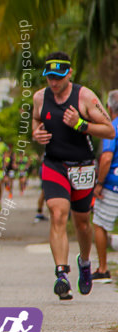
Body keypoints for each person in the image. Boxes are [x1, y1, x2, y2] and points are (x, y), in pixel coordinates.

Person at [31, 52, 114, 299]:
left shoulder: (85, 97)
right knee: (57, 214)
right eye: (49, 78)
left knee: (82, 222)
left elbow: (109, 130)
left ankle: (85, 263)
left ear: (69, 74)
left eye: (58, 77)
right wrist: (37, 133)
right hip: (54, 164)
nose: (53, 83)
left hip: (82, 167)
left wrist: (80, 124)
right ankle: (61, 274)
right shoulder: (39, 97)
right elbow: (36, 120)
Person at [91, 90, 118, 283]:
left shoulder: (110, 128)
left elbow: (107, 157)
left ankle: (103, 268)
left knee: (100, 223)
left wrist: (99, 184)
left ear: (108, 108)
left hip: (112, 184)